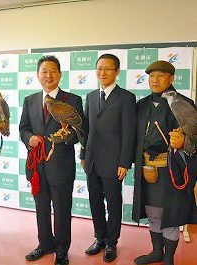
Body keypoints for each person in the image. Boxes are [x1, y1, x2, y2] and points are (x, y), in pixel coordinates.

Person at [19, 55, 85, 265]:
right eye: (44, 71)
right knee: (41, 208)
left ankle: (62, 249)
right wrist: (29, 138)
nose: (48, 75)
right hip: (37, 167)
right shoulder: (30, 100)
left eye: (53, 71)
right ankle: (44, 244)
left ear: (59, 74)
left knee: (62, 208)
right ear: (38, 75)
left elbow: (79, 132)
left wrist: (65, 137)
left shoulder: (72, 100)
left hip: (61, 166)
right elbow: (23, 128)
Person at [132, 60, 197, 265]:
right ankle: (157, 252)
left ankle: (169, 258)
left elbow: (195, 140)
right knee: (152, 212)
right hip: (148, 169)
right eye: (152, 76)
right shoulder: (141, 105)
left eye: (161, 76)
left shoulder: (183, 103)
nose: (155, 80)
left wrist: (184, 141)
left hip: (172, 171)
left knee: (170, 215)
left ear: (172, 79)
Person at [81, 54, 136, 263]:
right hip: (92, 160)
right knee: (95, 201)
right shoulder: (91, 96)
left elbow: (129, 133)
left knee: (113, 203)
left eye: (107, 69)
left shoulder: (126, 98)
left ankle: (112, 242)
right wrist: (83, 154)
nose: (102, 73)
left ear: (117, 71)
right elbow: (85, 130)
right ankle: (99, 238)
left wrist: (124, 162)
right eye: (99, 68)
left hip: (114, 162)